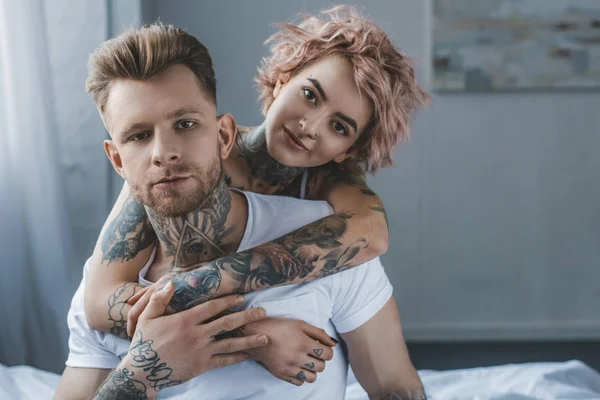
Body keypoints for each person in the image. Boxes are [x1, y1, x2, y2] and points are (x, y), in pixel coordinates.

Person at [53, 22, 427, 399]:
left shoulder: (330, 196)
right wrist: (251, 337)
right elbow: (99, 301)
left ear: (349, 150)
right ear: (282, 80)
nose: (309, 126)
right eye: (310, 95)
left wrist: (199, 289)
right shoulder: (172, 173)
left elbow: (372, 234)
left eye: (339, 127)